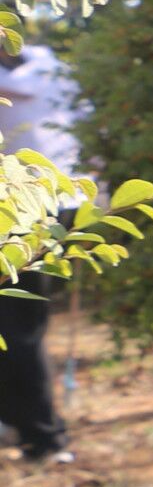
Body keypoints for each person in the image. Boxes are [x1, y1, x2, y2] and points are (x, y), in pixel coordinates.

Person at [0, 42, 84, 465]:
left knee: (16, 326)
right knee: (21, 323)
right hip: (58, 203)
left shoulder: (41, 70)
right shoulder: (50, 65)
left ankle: (42, 436)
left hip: (19, 210)